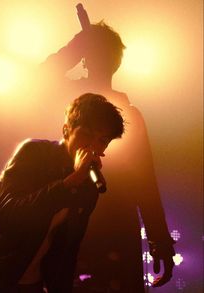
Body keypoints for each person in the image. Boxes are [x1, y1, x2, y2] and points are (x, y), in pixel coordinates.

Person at [40, 21, 175, 292]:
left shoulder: (127, 115)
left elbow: (145, 183)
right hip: (77, 224)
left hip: (105, 227)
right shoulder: (72, 103)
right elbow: (146, 184)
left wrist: (160, 241)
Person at [0, 93, 124, 293]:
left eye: (102, 141)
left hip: (30, 282)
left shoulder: (88, 187)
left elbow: (67, 251)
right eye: (86, 134)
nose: (92, 147)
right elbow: (7, 217)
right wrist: (69, 183)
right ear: (66, 130)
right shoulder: (34, 153)